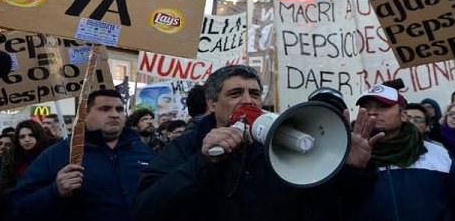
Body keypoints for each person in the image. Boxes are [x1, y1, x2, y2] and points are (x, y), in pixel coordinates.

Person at [134, 64, 383, 221]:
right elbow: (148, 208)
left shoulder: (283, 143)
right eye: (235, 93)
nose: (248, 101)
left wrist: (351, 172)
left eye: (254, 93)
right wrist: (204, 161)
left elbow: (329, 206)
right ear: (211, 104)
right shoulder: (186, 147)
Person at [8, 89, 155, 221]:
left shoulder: (143, 151)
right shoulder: (58, 154)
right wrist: (55, 191)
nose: (114, 114)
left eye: (119, 109)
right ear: (84, 114)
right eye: (105, 109)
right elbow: (17, 206)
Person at [345, 84, 455, 221]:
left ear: (404, 115)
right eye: (366, 107)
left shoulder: (437, 154)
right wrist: (352, 171)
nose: (372, 112)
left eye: (383, 106)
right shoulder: (344, 155)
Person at [0, 120, 49, 200]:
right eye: (22, 137)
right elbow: (4, 186)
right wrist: (20, 193)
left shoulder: (50, 155)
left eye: (31, 135)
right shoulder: (11, 157)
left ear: (39, 136)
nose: (27, 139)